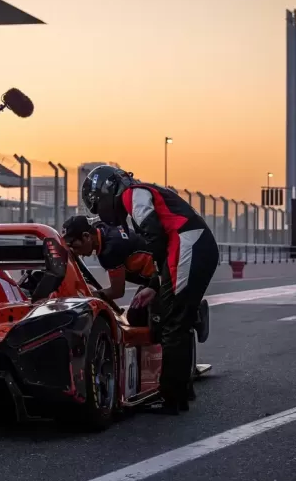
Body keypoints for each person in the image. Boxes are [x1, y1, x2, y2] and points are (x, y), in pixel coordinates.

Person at [80, 165, 220, 414]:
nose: (99, 211)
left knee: (173, 324)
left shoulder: (133, 194)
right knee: (179, 322)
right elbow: (160, 242)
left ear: (106, 192)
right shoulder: (140, 193)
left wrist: (155, 283)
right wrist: (155, 285)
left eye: (97, 203)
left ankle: (171, 397)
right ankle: (180, 392)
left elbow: (154, 235)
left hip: (188, 245)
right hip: (196, 246)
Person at [61, 214, 160, 326]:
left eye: (74, 245)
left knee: (153, 326)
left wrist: (86, 297)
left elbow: (117, 291)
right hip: (155, 276)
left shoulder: (110, 250)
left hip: (163, 277)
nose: (75, 251)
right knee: (135, 316)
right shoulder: (102, 229)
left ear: (86, 236)